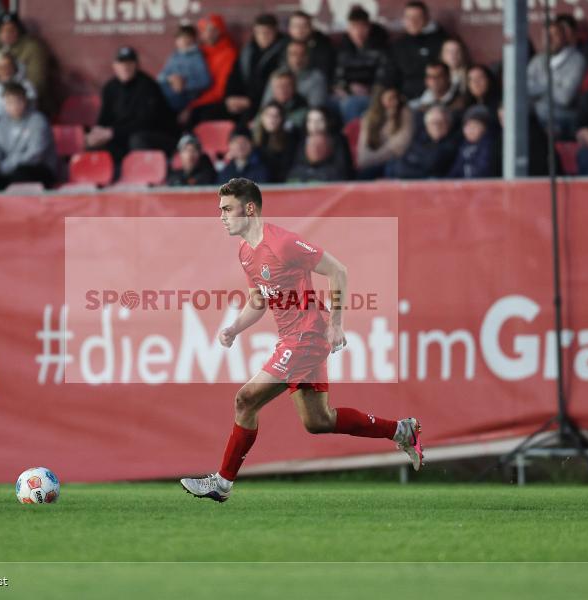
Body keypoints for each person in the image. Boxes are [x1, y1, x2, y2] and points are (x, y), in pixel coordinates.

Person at [179, 178, 423, 502]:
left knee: (245, 400)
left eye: (227, 209)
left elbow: (339, 271)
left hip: (308, 335)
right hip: (294, 338)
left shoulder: (283, 244)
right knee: (318, 421)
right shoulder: (245, 252)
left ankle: (221, 483)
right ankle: (402, 431)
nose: (221, 216)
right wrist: (235, 328)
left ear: (249, 208)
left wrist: (336, 324)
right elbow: (258, 300)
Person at [87, 47, 177, 163]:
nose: (125, 67)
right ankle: (108, 178)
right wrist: (96, 134)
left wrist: (113, 132)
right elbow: (104, 118)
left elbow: (145, 123)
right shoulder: (110, 87)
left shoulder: (148, 86)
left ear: (136, 65)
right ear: (114, 66)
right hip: (123, 135)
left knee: (137, 140)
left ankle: (146, 176)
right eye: (121, 63)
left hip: (158, 136)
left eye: (129, 63)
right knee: (94, 144)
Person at [0, 82, 57, 190]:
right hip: (8, 169)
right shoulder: (2, 123)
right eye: (9, 102)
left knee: (20, 174)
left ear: (25, 101)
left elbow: (35, 155)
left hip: (39, 169)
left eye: (18, 101)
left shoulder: (38, 121)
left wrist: (1, 167)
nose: (14, 106)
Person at [334, 5, 394, 123]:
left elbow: (384, 78)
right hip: (348, 94)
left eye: (362, 27)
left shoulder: (381, 49)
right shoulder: (343, 50)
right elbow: (337, 77)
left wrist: (368, 90)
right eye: (354, 27)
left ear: (369, 28)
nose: (358, 32)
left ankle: (354, 139)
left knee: (352, 104)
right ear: (348, 29)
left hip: (373, 95)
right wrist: (349, 88)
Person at [527, 20, 586, 139]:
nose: (549, 39)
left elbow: (565, 98)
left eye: (554, 34)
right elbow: (525, 90)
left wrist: (539, 88)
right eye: (546, 35)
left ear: (565, 37)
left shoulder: (577, 60)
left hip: (564, 119)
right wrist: (554, 86)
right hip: (537, 117)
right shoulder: (537, 60)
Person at [224, 13, 288, 123]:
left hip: (266, 103)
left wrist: (250, 102)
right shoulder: (248, 50)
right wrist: (231, 97)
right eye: (259, 32)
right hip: (243, 100)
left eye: (267, 32)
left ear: (275, 32)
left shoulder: (284, 51)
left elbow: (273, 85)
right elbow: (235, 75)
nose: (263, 36)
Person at [0, 12, 50, 100]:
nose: (7, 34)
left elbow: (37, 82)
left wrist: (15, 99)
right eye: (3, 30)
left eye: (11, 30)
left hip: (21, 97)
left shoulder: (31, 47)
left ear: (19, 31)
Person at [186, 14, 238, 125]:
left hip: (216, 102)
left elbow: (220, 91)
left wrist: (193, 104)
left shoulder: (228, 53)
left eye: (212, 29)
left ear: (220, 31)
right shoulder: (197, 52)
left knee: (198, 115)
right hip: (194, 100)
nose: (207, 33)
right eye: (203, 29)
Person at [391, 1, 447, 100]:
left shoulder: (439, 41)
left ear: (426, 19)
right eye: (409, 18)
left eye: (418, 17)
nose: (413, 21)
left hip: (433, 96)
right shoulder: (398, 45)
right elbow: (391, 74)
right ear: (404, 19)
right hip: (404, 98)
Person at [356, 85, 414, 178]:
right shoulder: (369, 117)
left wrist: (391, 119)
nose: (395, 102)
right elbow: (362, 156)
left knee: (392, 168)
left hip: (396, 162)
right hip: (373, 163)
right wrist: (373, 159)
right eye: (390, 98)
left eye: (396, 98)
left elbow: (399, 147)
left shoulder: (405, 113)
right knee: (363, 175)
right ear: (380, 99)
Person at [389, 104, 459, 179]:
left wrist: (417, 162)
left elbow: (434, 164)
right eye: (433, 123)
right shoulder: (416, 139)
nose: (437, 126)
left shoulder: (454, 142)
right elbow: (400, 168)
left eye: (441, 122)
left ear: (449, 124)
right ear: (426, 125)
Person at [158, 24, 212, 113]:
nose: (181, 41)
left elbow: (205, 81)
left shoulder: (197, 57)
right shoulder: (174, 56)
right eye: (179, 38)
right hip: (169, 94)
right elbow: (160, 77)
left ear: (192, 39)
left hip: (187, 97)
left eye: (185, 37)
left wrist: (183, 85)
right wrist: (170, 79)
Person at [263, 40, 328, 109]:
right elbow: (265, 106)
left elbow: (316, 110)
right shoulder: (277, 75)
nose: (297, 58)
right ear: (287, 56)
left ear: (308, 56)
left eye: (302, 54)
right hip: (274, 116)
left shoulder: (317, 78)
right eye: (293, 54)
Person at [0, 50, 37, 118]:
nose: (5, 70)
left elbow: (31, 109)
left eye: (8, 66)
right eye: (0, 67)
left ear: (14, 67)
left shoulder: (26, 85)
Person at [287, 10, 336, 82]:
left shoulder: (323, 44)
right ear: (289, 29)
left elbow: (323, 72)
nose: (300, 30)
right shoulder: (284, 44)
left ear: (311, 27)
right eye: (295, 26)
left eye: (304, 26)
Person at [447, 105, 496, 178]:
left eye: (475, 126)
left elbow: (483, 169)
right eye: (467, 126)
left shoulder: (488, 145)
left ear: (485, 128)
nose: (470, 130)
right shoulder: (464, 145)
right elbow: (456, 169)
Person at [251, 101, 295, 182]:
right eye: (268, 115)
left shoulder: (290, 139)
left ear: (282, 119)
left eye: (276, 116)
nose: (272, 119)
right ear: (262, 117)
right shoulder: (253, 140)